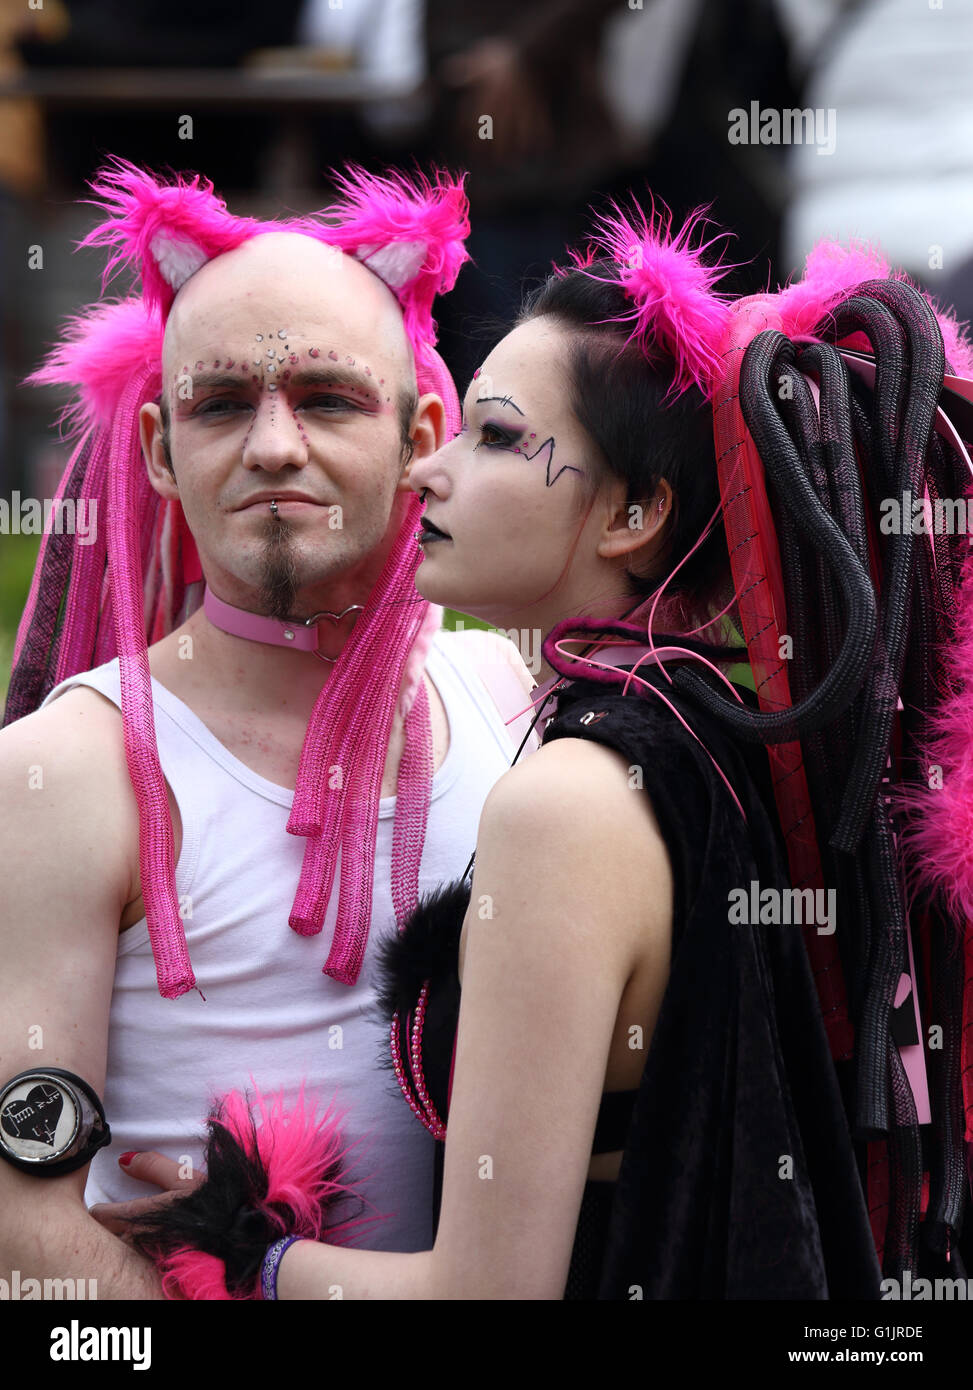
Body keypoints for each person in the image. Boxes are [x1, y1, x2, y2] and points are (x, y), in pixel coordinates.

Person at [92, 197, 973, 1299]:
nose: (429, 473)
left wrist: (241, 1249)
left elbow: (484, 1293)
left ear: (633, 513)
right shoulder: (695, 722)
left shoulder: (566, 801)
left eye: (496, 436)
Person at [0, 159, 540, 1298]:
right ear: (157, 447)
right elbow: (18, 1223)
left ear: (419, 435)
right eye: (223, 402)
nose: (275, 446)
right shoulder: (68, 770)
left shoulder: (502, 699)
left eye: (330, 399)